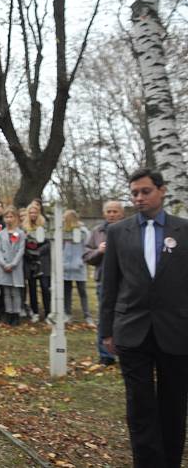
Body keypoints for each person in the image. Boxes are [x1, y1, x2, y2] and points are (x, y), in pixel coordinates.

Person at [101, 168, 188, 467]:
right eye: (134, 193)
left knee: (173, 403)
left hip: (176, 330)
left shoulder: (183, 230)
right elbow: (109, 285)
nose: (139, 198)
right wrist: (106, 331)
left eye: (145, 191)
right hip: (131, 330)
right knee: (139, 405)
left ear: (162, 191)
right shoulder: (118, 232)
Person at [83, 200, 124, 365]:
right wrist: (98, 251)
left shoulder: (130, 230)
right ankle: (106, 355)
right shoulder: (96, 231)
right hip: (104, 282)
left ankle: (125, 351)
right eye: (109, 211)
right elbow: (86, 255)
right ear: (104, 213)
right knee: (104, 317)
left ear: (122, 213)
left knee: (124, 318)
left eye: (115, 211)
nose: (112, 214)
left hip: (126, 282)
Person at [0, 207, 27, 325]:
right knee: (6, 291)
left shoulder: (21, 233)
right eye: (6, 217)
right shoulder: (1, 234)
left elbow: (21, 250)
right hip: (3, 266)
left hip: (15, 266)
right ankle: (8, 313)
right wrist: (3, 263)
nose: (9, 219)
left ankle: (16, 314)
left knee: (16, 291)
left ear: (16, 218)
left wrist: (13, 264)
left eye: (11, 216)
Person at [61, 209, 92, 326]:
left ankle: (87, 315)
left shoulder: (83, 231)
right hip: (66, 266)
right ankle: (68, 314)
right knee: (67, 291)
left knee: (82, 291)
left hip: (79, 265)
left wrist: (82, 260)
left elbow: (87, 247)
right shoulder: (64, 232)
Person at [22, 202, 50, 323]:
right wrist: (29, 252)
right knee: (32, 288)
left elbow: (48, 243)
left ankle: (48, 312)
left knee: (45, 287)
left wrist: (38, 252)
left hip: (43, 260)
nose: (33, 214)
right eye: (31, 212)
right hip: (29, 260)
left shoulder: (45, 226)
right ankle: (35, 312)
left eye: (35, 212)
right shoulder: (24, 226)